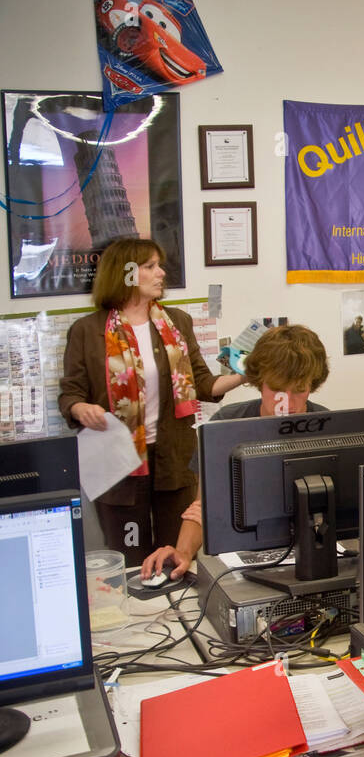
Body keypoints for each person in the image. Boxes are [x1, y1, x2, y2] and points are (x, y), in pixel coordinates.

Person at [58, 238, 244, 566]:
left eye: (159, 265)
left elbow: (202, 384)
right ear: (126, 273)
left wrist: (246, 374)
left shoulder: (178, 323)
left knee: (177, 555)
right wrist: (79, 408)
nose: (161, 273)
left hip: (174, 459)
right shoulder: (87, 331)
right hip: (119, 464)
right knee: (130, 556)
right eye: (150, 266)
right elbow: (71, 393)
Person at [140, 324, 329, 579]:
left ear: (312, 385)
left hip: (316, 556)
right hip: (244, 561)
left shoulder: (329, 427)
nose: (288, 403)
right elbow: (202, 505)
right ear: (259, 383)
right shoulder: (226, 425)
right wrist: (183, 552)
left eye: (299, 390)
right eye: (277, 389)